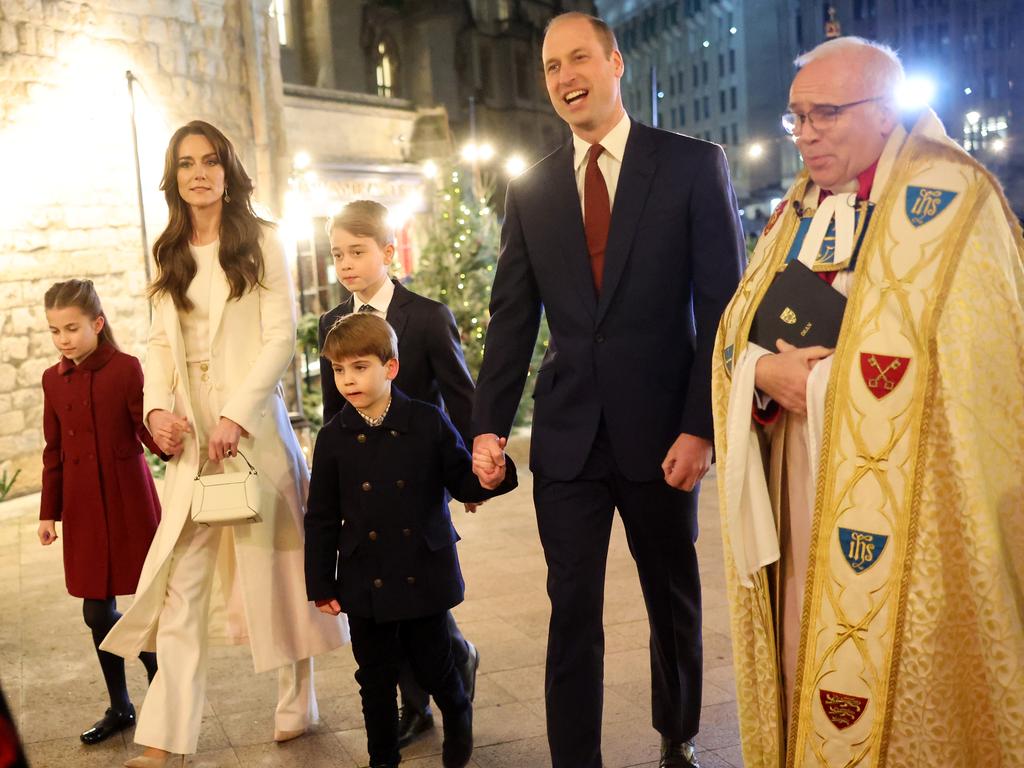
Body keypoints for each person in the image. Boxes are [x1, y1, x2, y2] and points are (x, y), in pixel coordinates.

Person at [713, 37, 1024, 766]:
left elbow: (977, 367)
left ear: (888, 112)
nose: (807, 132)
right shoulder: (796, 209)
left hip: (912, 505)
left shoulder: (953, 198)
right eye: (797, 117)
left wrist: (814, 385)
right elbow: (734, 330)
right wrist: (762, 374)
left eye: (826, 113)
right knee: (803, 644)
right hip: (797, 475)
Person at [470, 12, 745, 768]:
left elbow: (725, 308)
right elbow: (512, 317)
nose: (565, 77)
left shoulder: (692, 166)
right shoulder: (532, 189)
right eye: (552, 66)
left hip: (664, 435)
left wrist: (702, 427)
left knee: (672, 598)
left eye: (579, 58)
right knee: (571, 614)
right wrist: (488, 427)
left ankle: (677, 733)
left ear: (615, 62)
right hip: (568, 440)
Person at [101, 120, 348, 767]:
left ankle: (300, 695)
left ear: (227, 170)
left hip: (254, 434)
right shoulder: (170, 250)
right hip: (191, 440)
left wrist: (237, 414)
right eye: (186, 163)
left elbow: (279, 335)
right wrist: (157, 409)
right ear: (174, 176)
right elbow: (158, 342)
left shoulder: (262, 239)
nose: (198, 173)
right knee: (183, 584)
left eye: (209, 161)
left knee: (277, 572)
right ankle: (165, 737)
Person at [304, 313, 517, 768]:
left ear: (391, 367)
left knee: (433, 665)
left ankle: (458, 711)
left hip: (422, 567)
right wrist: (321, 582)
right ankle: (383, 760)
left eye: (360, 367)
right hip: (366, 575)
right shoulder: (333, 437)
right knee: (374, 679)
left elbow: (462, 481)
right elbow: (321, 516)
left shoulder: (426, 421)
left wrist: (492, 475)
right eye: (339, 370)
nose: (347, 380)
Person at [317, 200, 481, 747]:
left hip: (420, 477)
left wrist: (474, 466)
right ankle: (421, 705)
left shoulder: (427, 316)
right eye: (337, 253)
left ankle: (450, 672)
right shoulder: (331, 323)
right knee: (387, 604)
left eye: (357, 252)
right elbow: (332, 413)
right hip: (366, 486)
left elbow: (458, 395)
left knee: (421, 599)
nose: (345, 263)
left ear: (388, 253)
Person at [38, 279, 162, 745]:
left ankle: (163, 694)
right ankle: (121, 705)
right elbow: (53, 449)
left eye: (71, 328)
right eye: (54, 331)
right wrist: (48, 513)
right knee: (96, 611)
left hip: (130, 500)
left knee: (147, 603)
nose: (63, 339)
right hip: (84, 507)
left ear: (97, 323)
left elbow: (147, 429)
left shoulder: (127, 369)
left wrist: (172, 439)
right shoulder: (52, 379)